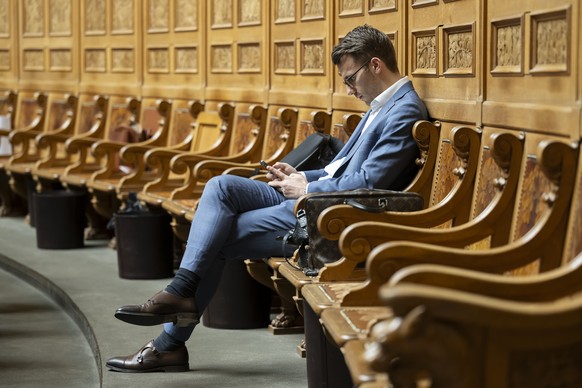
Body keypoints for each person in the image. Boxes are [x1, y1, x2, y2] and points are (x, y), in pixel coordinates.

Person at [106, 24, 428, 373]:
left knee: (215, 236)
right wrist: (300, 176)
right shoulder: (380, 105)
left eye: (351, 79)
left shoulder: (403, 110)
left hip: (330, 216)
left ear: (376, 66)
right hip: (312, 197)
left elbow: (369, 182)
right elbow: (339, 170)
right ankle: (178, 299)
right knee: (222, 185)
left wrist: (306, 191)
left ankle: (168, 341)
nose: (349, 89)